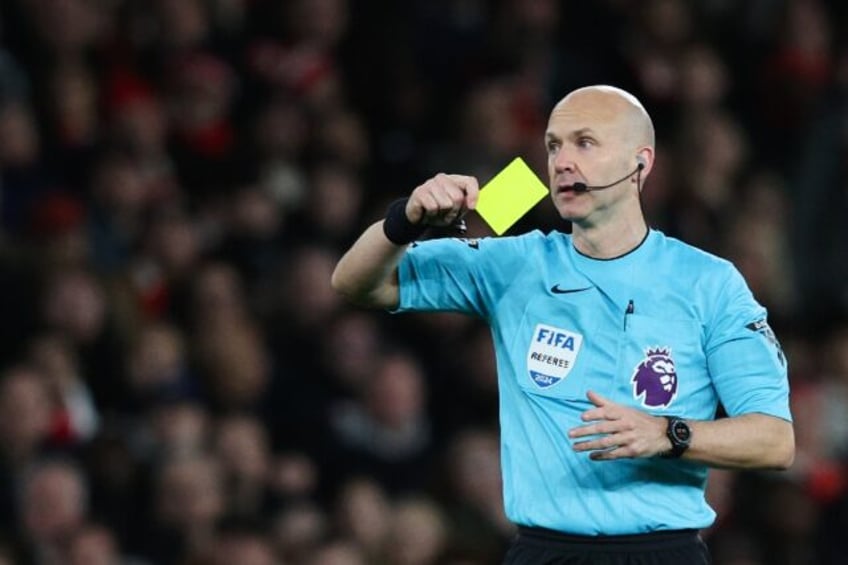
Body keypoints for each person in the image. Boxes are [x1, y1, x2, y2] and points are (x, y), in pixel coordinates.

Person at [331, 84, 795, 564]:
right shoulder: (515, 265)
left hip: (662, 552)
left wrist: (668, 433)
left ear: (641, 162)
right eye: (553, 145)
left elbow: (775, 441)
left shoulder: (708, 282)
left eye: (585, 143)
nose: (562, 160)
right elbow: (354, 283)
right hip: (543, 551)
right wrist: (404, 220)